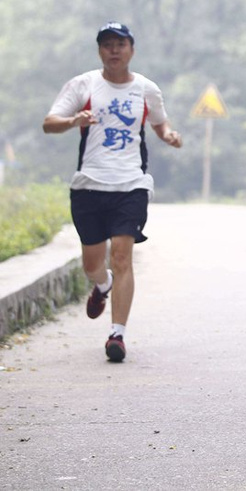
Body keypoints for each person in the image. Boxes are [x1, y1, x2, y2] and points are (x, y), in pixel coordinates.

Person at [42, 22, 182, 362]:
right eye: (107, 44)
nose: (114, 50)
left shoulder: (147, 89)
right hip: (89, 185)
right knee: (93, 263)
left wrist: (167, 135)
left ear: (131, 49)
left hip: (130, 184)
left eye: (120, 44)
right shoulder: (84, 84)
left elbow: (159, 121)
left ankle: (117, 334)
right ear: (100, 51)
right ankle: (101, 284)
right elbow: (49, 123)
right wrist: (75, 120)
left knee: (122, 256)